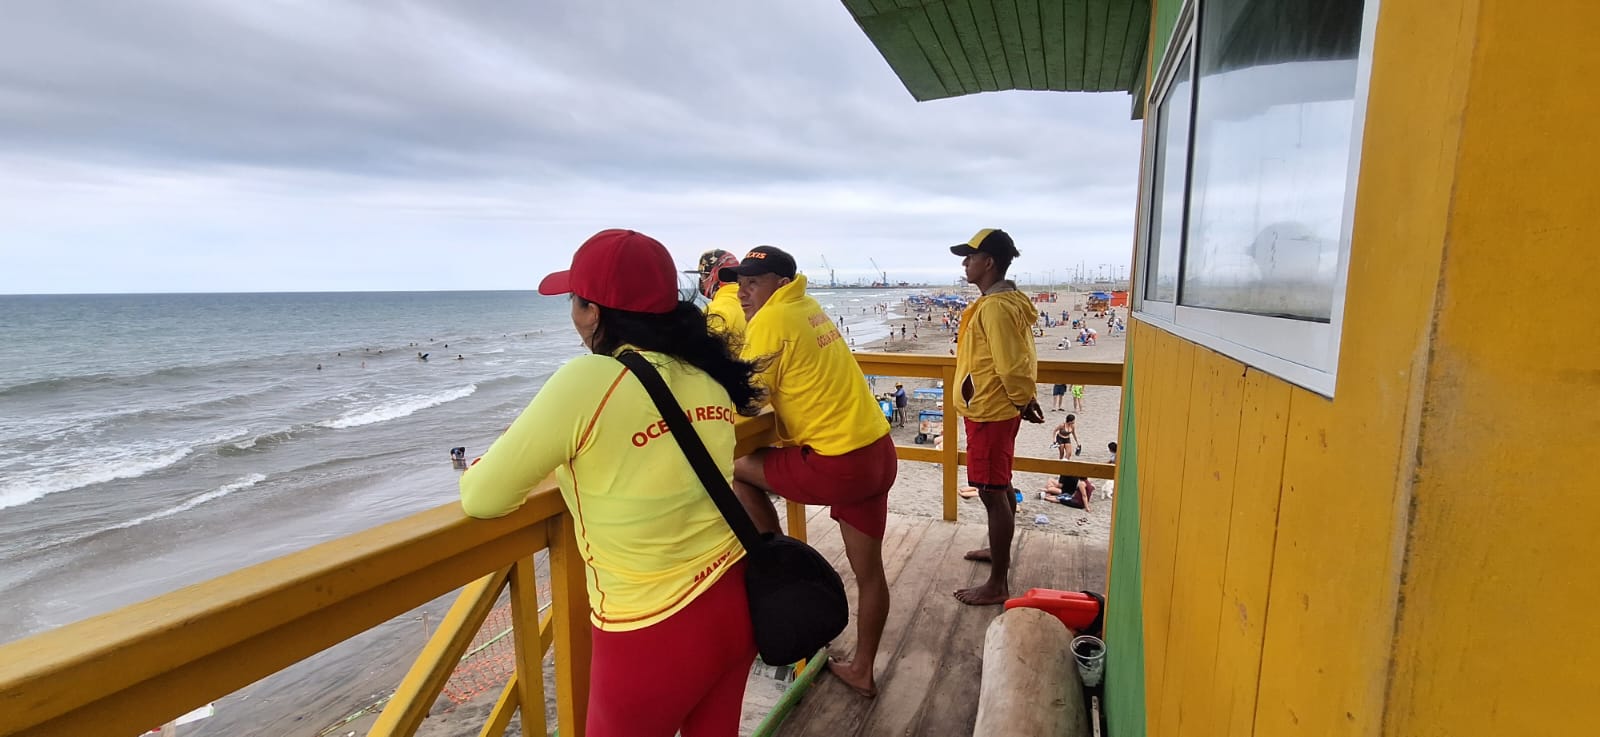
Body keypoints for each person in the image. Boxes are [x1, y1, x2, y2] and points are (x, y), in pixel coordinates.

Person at [460, 229, 764, 737]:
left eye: (575, 301)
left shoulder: (588, 380)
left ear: (593, 312)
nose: (573, 314)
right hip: (733, 600)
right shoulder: (706, 376)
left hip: (651, 629)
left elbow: (483, 496)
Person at [720, 245, 898, 698]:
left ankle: (774, 562)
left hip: (839, 463)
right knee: (870, 575)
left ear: (779, 282)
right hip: (877, 451)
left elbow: (748, 401)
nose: (742, 293)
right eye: (739, 283)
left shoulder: (771, 320)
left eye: (753, 283)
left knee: (737, 467)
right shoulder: (808, 306)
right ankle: (863, 670)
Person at [948, 228, 1044, 606]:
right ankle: (997, 549)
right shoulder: (1003, 302)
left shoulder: (995, 307)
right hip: (993, 406)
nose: (964, 263)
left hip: (991, 409)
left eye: (970, 257)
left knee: (990, 491)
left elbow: (1011, 362)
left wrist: (1022, 398)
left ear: (988, 263)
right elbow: (1018, 357)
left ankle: (998, 583)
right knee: (999, 484)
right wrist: (1024, 398)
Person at [694, 249, 747, 341]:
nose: (701, 281)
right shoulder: (751, 303)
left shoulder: (715, 310)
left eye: (703, 276)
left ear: (713, 276)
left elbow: (706, 351)